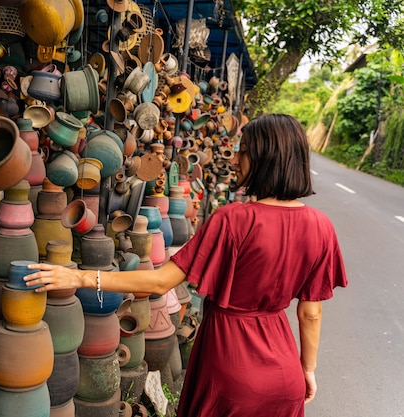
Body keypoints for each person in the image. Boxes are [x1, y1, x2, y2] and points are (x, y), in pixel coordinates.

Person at [25, 114, 348, 417]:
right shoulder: (321, 226)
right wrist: (306, 369)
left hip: (229, 369)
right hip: (284, 373)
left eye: (244, 152)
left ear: (267, 159)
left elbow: (158, 283)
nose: (235, 160)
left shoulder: (234, 220)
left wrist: (76, 276)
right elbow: (311, 312)